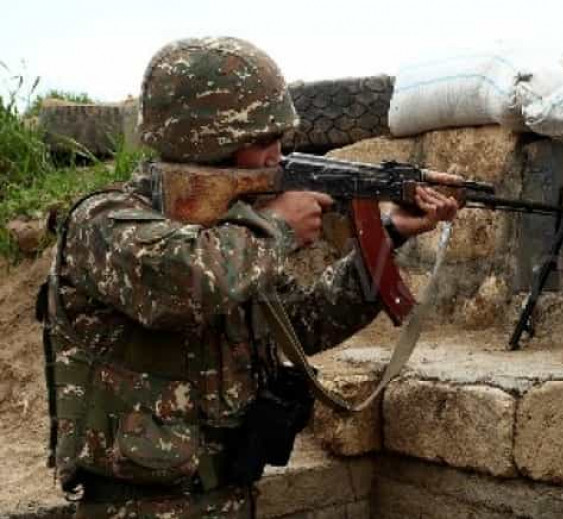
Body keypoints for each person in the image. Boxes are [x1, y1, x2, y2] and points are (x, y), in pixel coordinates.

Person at [41, 37, 459, 518]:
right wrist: (279, 227)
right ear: (207, 141)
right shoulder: (103, 223)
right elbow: (186, 284)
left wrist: (389, 235)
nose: (276, 157)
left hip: (231, 497)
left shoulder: (237, 236)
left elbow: (306, 322)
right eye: (261, 141)